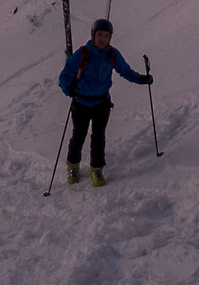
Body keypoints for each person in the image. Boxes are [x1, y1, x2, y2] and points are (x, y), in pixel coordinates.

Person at [58, 17, 151, 186]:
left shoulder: (112, 54)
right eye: (100, 35)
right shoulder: (82, 53)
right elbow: (64, 76)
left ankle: (97, 169)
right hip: (81, 102)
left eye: (106, 35)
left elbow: (125, 71)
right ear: (93, 35)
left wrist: (141, 79)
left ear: (110, 37)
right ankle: (73, 166)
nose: (103, 39)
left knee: (99, 137)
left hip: (102, 103)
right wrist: (68, 89)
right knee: (79, 135)